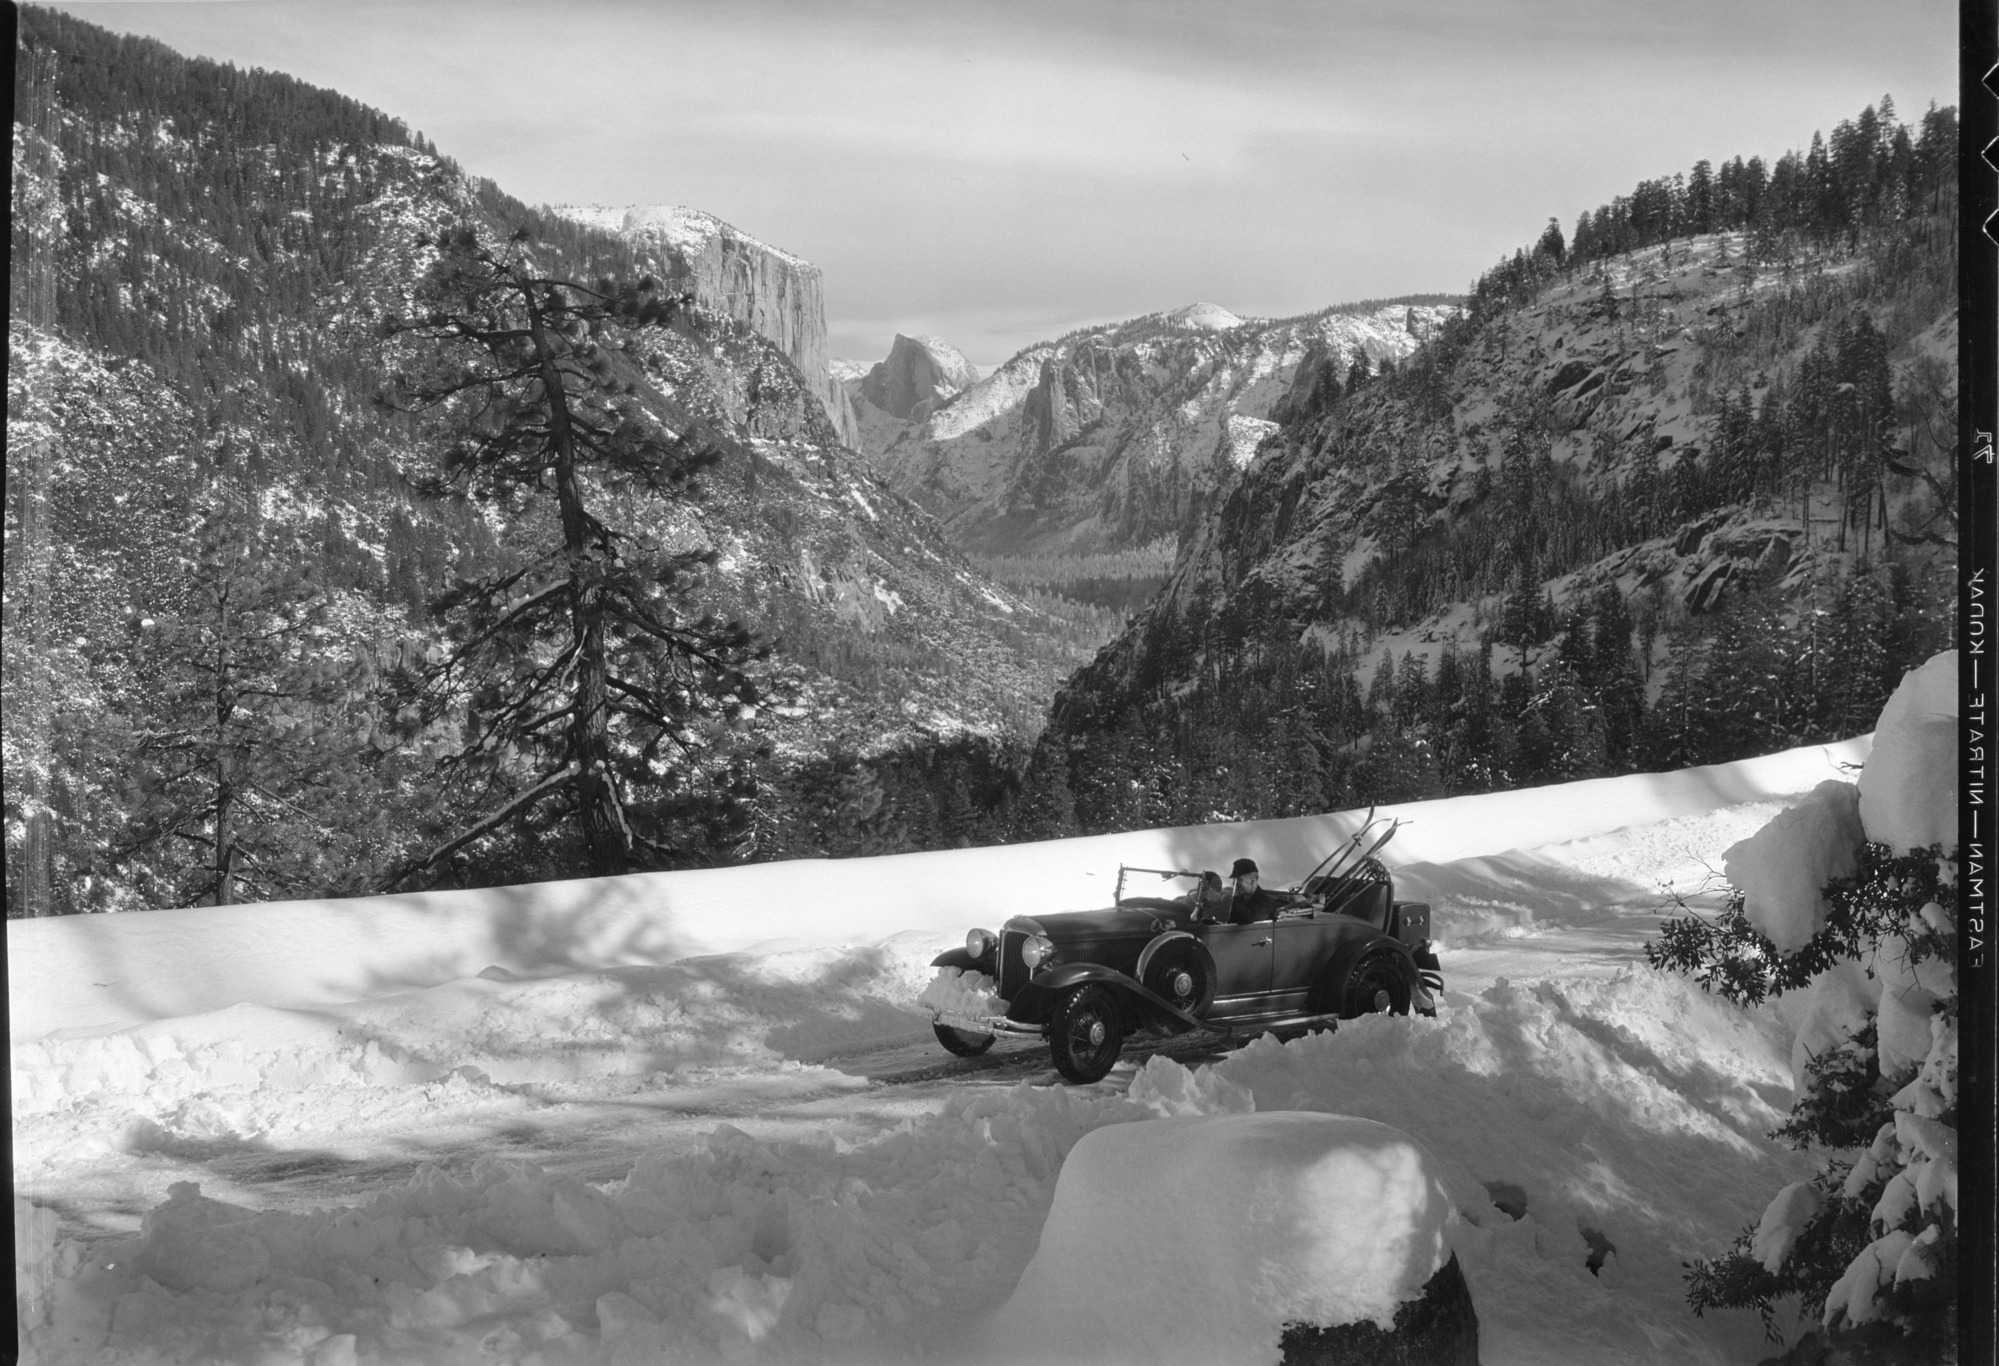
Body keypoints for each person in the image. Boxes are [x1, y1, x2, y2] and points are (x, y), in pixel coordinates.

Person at [1221, 858, 1303, 924]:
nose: (1234, 884)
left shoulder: (1265, 903)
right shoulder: (1239, 900)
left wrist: (1228, 900)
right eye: (1234, 880)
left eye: (1239, 880)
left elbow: (1249, 917)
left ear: (1252, 881)